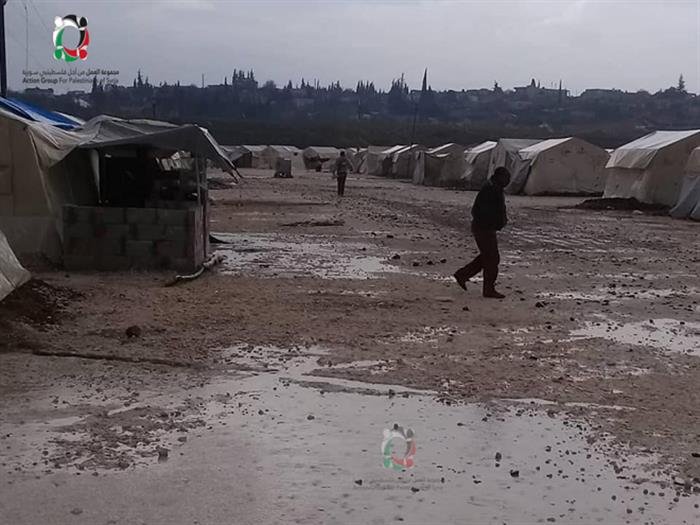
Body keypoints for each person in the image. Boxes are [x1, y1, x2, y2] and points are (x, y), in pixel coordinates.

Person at [453, 167, 511, 299]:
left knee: (488, 256)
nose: (508, 181)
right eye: (506, 178)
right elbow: (479, 211)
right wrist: (491, 222)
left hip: (485, 227)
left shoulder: (494, 188)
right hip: (483, 228)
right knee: (492, 258)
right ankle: (488, 289)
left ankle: (463, 274)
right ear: (499, 177)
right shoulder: (490, 189)